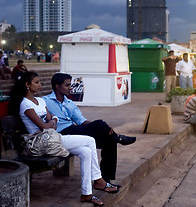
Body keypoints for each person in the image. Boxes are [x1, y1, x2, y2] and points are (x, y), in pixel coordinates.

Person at [9, 71, 119, 206]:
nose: (40, 84)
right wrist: (51, 123)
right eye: (36, 82)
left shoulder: (40, 101)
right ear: (27, 84)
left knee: (86, 151)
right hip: (41, 143)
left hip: (52, 138)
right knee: (90, 141)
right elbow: (45, 126)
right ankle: (98, 180)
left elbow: (50, 121)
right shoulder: (25, 104)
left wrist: (51, 122)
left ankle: (87, 193)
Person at [43, 73, 136, 183]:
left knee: (109, 140)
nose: (70, 88)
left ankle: (106, 180)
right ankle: (119, 138)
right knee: (101, 125)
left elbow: (82, 121)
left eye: (70, 85)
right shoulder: (45, 101)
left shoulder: (69, 103)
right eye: (67, 85)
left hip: (74, 130)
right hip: (62, 134)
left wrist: (104, 128)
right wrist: (100, 126)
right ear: (57, 86)